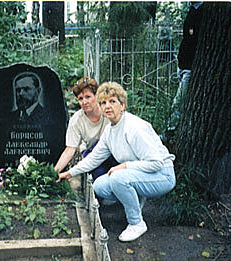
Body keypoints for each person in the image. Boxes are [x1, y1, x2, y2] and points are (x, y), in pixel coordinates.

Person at [57, 82, 176, 242]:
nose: (107, 106)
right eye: (103, 102)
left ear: (123, 105)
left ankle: (136, 223)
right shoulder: (110, 130)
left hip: (162, 176)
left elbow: (157, 163)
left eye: (112, 101)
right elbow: (93, 159)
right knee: (100, 186)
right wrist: (69, 173)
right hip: (140, 173)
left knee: (118, 178)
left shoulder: (133, 127)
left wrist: (124, 166)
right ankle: (136, 198)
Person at [54, 76, 117, 181]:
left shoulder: (108, 111)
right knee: (99, 175)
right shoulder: (77, 120)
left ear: (96, 96)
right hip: (91, 152)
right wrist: (54, 172)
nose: (84, 102)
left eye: (88, 97)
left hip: (112, 150)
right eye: (80, 98)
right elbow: (70, 149)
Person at [169, 2, 203, 130]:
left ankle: (171, 129)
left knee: (178, 102)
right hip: (183, 64)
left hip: (190, 67)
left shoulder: (203, 10)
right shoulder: (192, 9)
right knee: (183, 101)